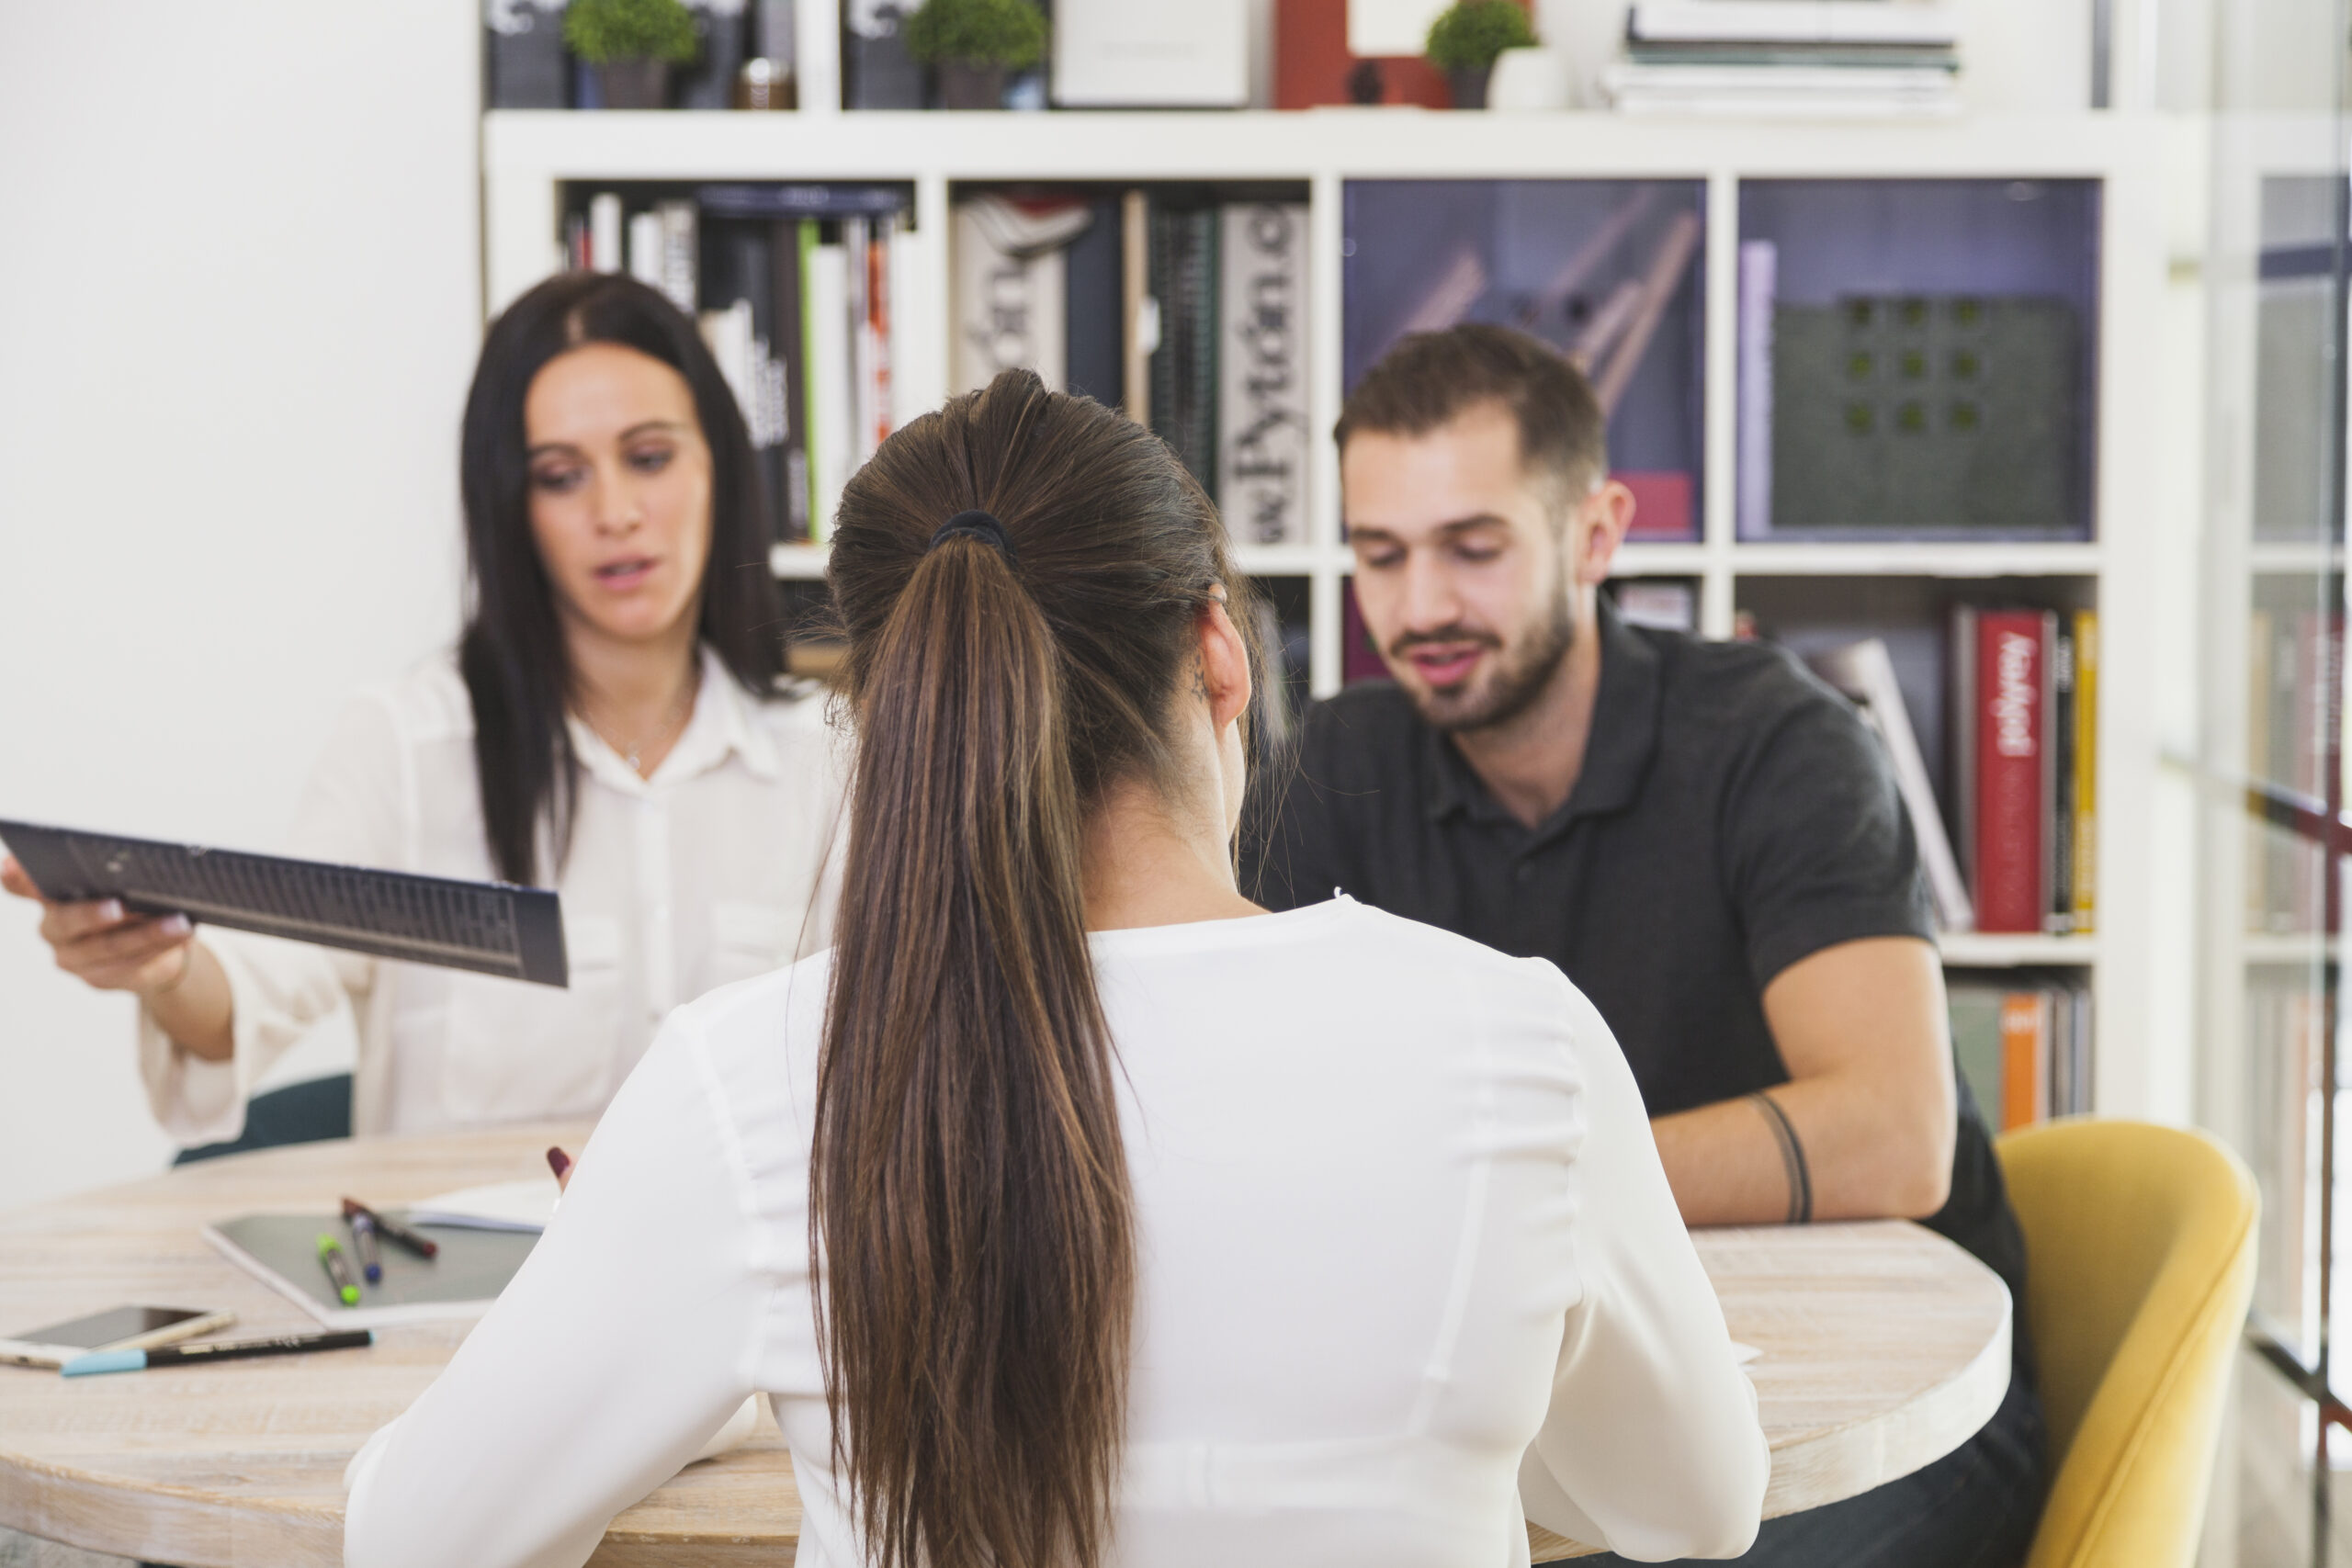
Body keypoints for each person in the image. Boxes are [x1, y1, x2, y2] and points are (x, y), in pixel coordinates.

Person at [340, 369, 1770, 1568]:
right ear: (1219, 651)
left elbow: (414, 1537)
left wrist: (682, 1324)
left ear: (883, 715)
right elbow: (1694, 1503)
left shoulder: (757, 1083)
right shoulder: (1520, 1042)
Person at [1248, 324, 2047, 1567]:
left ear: (1598, 532)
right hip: (1558, 1397)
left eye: (1474, 547)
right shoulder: (1332, 767)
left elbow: (1897, 1137)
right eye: (1380, 554)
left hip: (1879, 1405)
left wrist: (1524, 1192)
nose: (1421, 608)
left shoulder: (1779, 742)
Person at [1, 273, 843, 1148]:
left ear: (719, 467)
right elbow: (253, 994)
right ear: (508, 507)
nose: (616, 513)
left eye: (650, 458)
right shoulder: (409, 747)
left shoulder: (828, 759)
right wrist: (164, 968)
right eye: (560, 477)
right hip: (480, 1285)